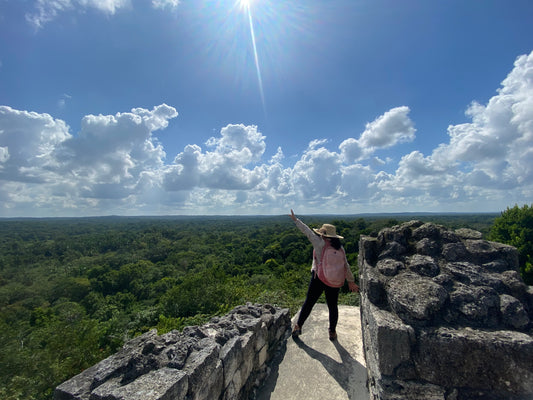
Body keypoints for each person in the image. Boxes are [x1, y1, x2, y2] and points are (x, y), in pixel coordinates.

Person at [289, 209, 359, 341]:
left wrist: (295, 220)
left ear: (323, 233)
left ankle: (298, 326)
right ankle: (332, 332)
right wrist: (351, 281)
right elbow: (346, 265)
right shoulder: (340, 248)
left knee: (309, 302)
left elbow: (308, 232)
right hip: (334, 281)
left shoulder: (320, 243)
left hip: (318, 279)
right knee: (333, 306)